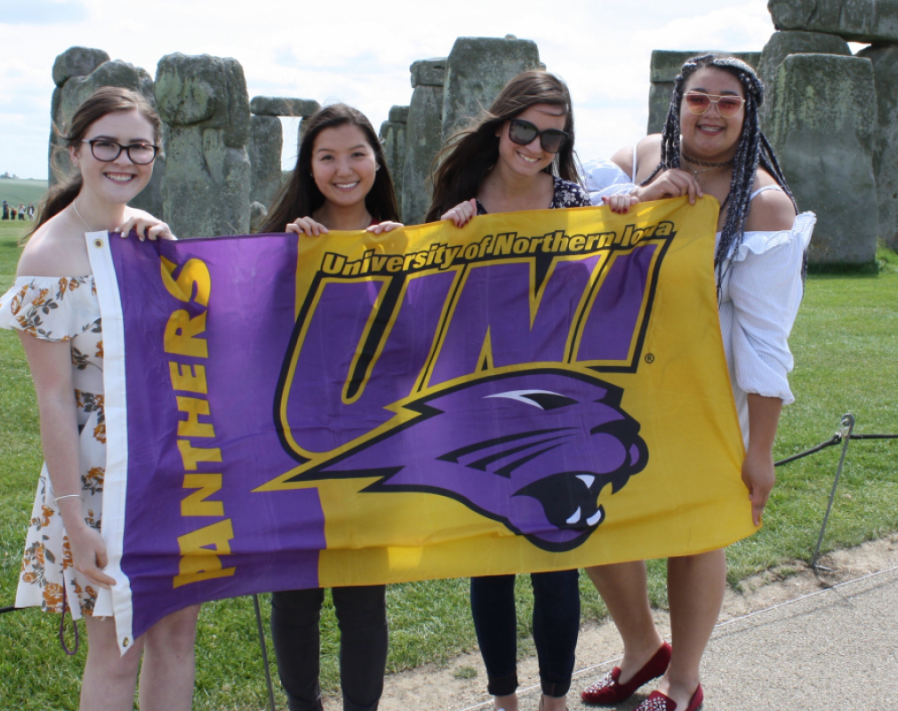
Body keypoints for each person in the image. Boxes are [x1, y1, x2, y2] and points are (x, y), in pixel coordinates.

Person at [579, 54, 814, 711]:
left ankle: (682, 681)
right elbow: (564, 215)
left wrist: (759, 452)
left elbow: (767, 340)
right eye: (699, 98)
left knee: (694, 529)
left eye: (728, 103)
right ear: (677, 102)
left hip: (709, 390)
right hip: (621, 374)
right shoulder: (641, 156)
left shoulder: (765, 205)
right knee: (590, 511)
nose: (711, 112)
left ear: (748, 114)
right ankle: (640, 648)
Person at [0, 86, 198, 711]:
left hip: (173, 462)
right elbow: (53, 399)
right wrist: (74, 519)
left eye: (138, 146)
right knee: (117, 649)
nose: (122, 158)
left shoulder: (149, 239)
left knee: (177, 634)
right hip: (100, 475)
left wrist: (170, 250)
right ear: (75, 151)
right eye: (106, 144)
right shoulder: (48, 255)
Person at [425, 70, 590, 711]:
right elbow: (422, 293)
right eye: (526, 130)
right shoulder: (459, 198)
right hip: (481, 399)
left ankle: (552, 701)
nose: (536, 146)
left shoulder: (577, 200)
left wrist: (643, 204)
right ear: (501, 127)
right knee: (490, 559)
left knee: (557, 556)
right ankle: (503, 699)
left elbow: (618, 252)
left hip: (562, 398)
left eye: (552, 136)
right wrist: (448, 236)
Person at [261, 103, 402, 711]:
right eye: (327, 157)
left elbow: (424, 343)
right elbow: (249, 334)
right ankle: (303, 706)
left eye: (356, 154)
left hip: (373, 442)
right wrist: (283, 262)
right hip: (290, 440)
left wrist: (406, 259)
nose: (343, 169)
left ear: (376, 160)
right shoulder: (282, 241)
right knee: (295, 595)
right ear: (309, 165)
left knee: (363, 598)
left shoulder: (403, 238)